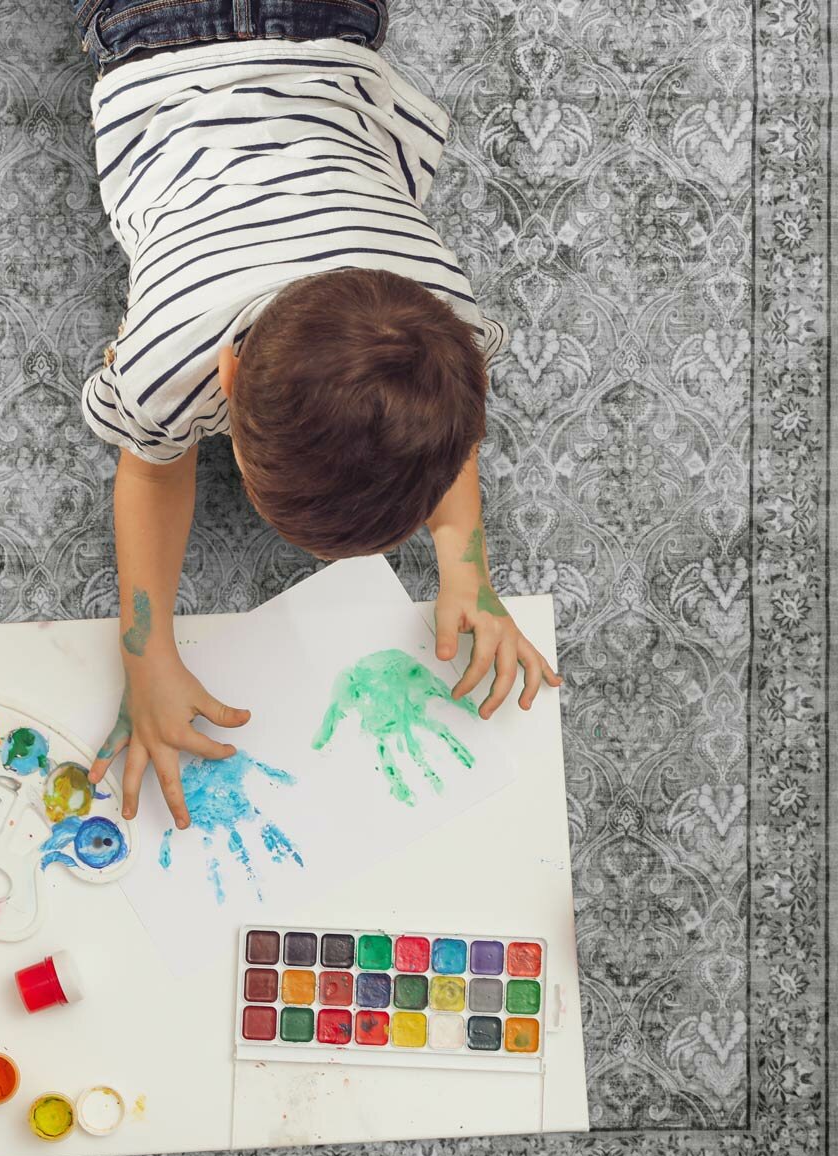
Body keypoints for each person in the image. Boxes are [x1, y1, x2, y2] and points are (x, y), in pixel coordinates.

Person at [70, 0, 563, 827]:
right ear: (222, 380)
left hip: (327, 24)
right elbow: (150, 471)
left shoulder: (448, 310)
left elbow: (446, 419)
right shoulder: (168, 357)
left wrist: (467, 570)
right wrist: (145, 651)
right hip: (148, 33)